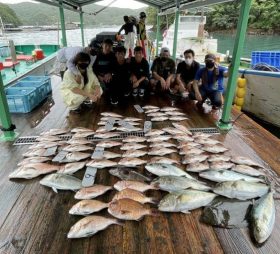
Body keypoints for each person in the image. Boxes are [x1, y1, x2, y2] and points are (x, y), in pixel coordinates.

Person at [93, 38, 116, 104]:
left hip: (108, 76)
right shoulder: (97, 55)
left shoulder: (113, 55)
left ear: (111, 47)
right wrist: (99, 76)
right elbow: (93, 68)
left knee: (111, 88)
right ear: (102, 45)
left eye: (109, 46)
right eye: (106, 45)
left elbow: (114, 67)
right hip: (98, 75)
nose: (107, 48)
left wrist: (110, 73)